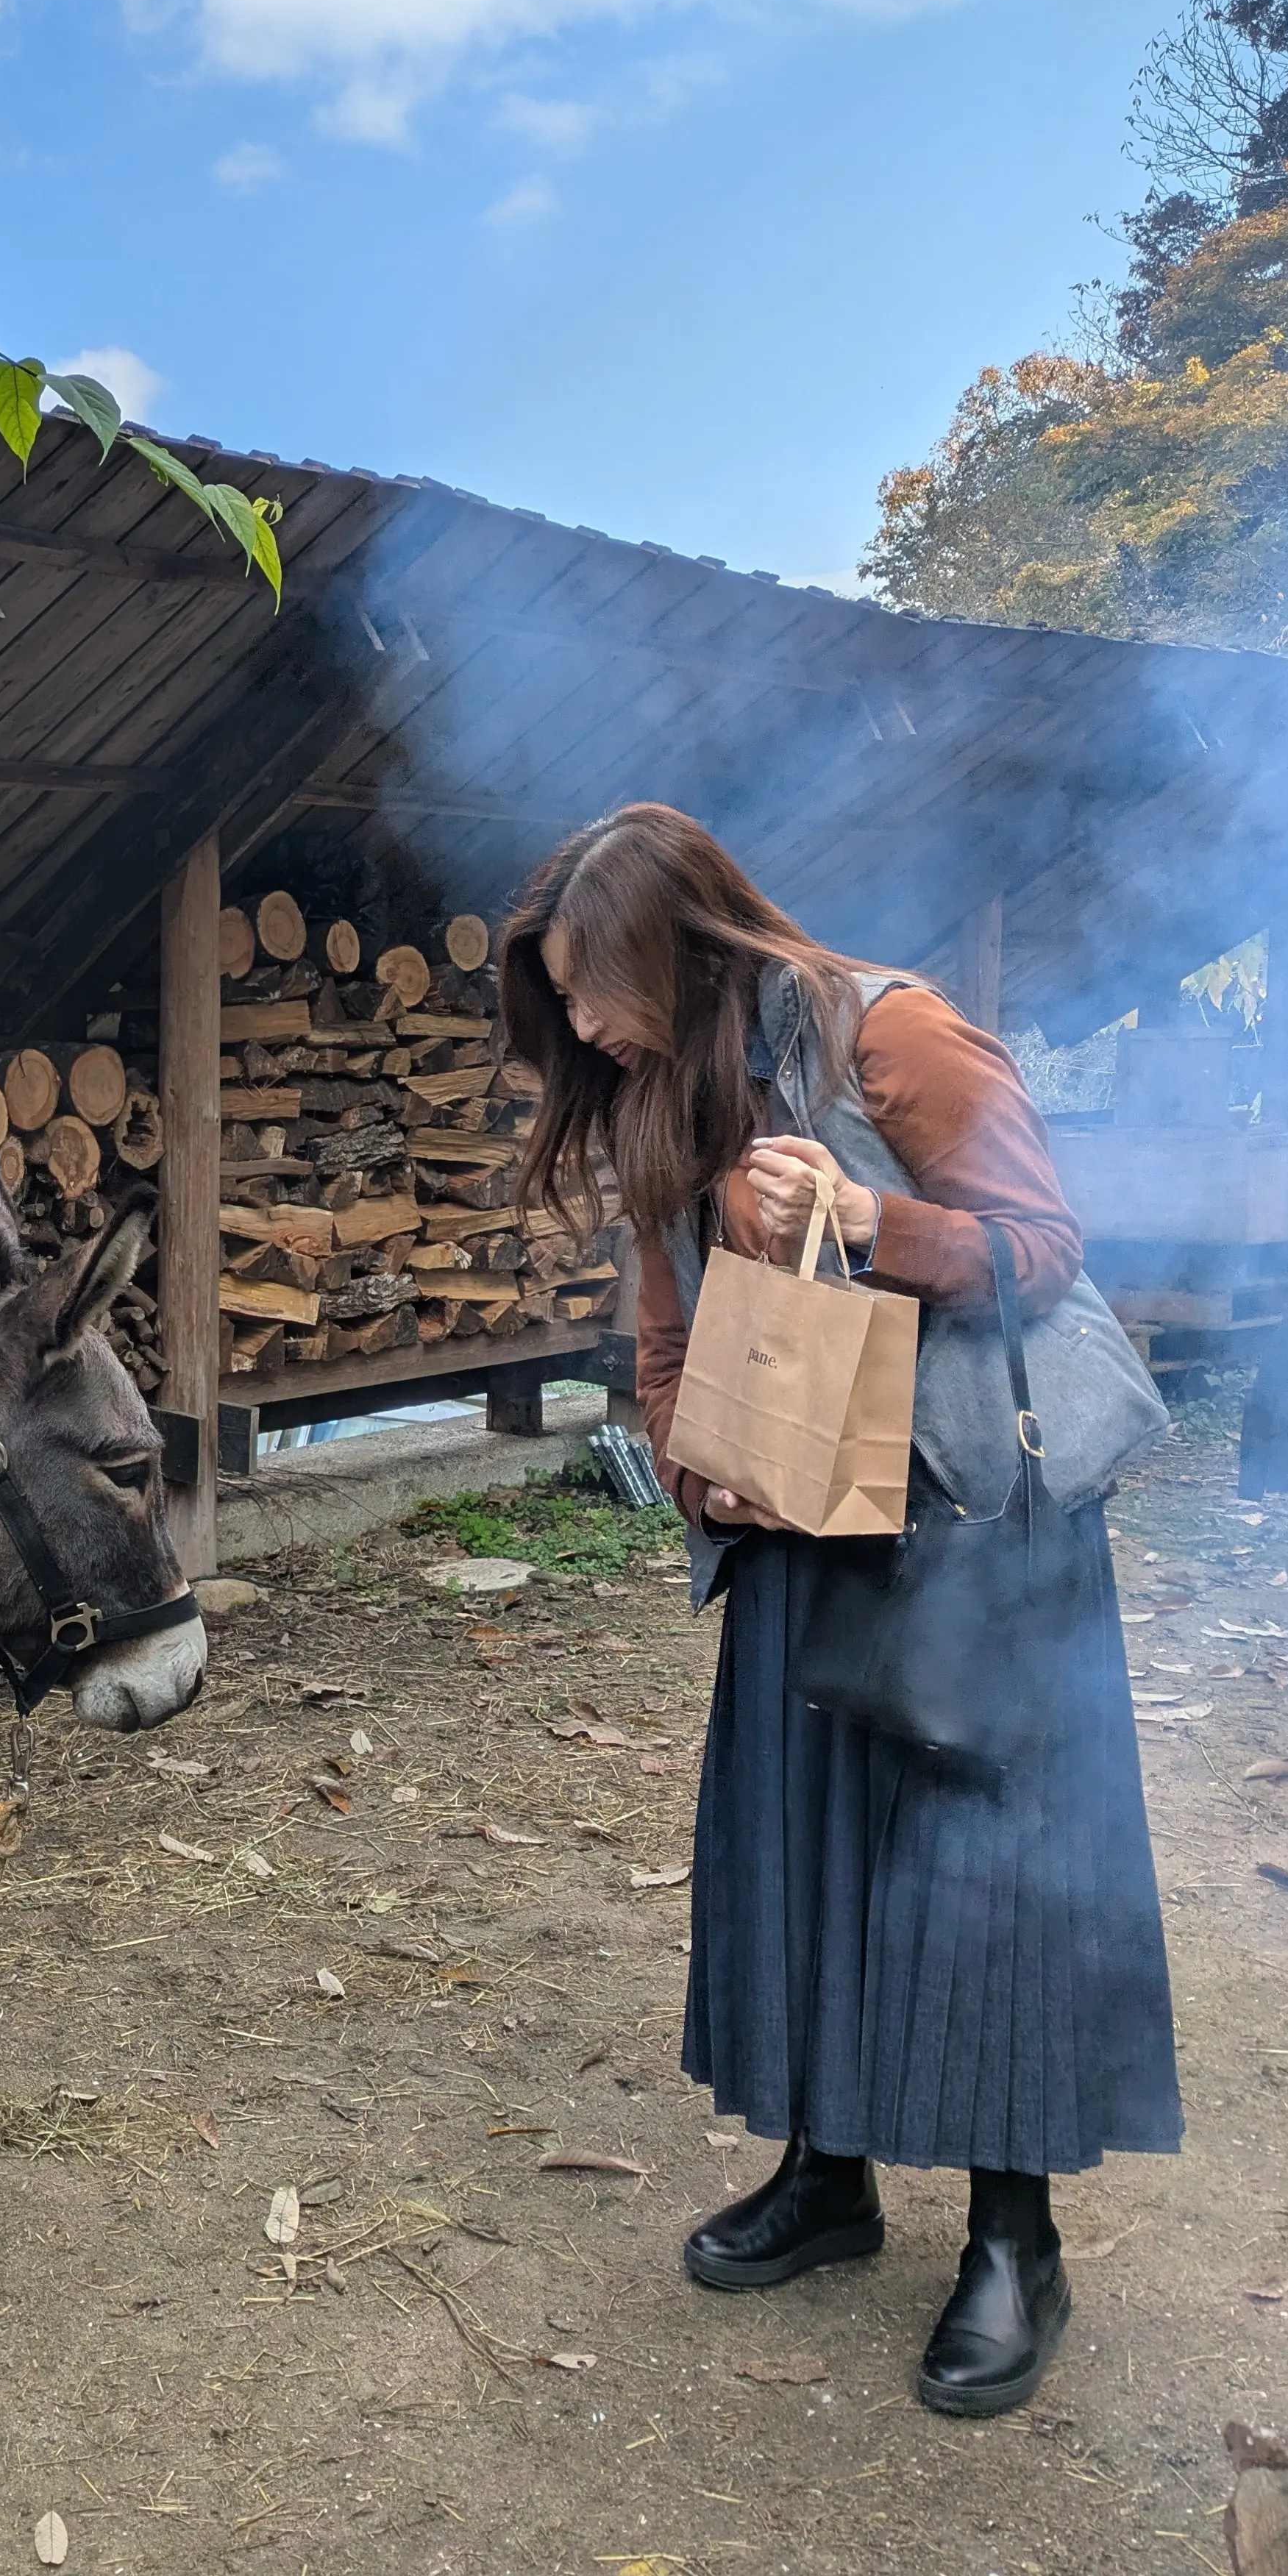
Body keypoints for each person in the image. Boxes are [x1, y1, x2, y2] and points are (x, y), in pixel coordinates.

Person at [500, 804, 1179, 2419]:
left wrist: (875, 1224)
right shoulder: (655, 1093)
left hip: (968, 1533)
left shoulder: (896, 1034)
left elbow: (1043, 1252)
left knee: (983, 1877)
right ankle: (828, 2170)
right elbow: (662, 1352)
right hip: (804, 1532)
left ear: (683, 944)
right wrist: (692, 1473)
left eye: (594, 991)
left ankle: (1016, 2237)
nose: (583, 1029)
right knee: (803, 1857)